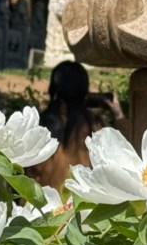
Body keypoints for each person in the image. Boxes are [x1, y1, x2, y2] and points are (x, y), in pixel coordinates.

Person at [30, 61, 128, 191]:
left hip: (39, 205)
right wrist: (119, 115)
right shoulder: (94, 125)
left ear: (54, 88)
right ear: (84, 90)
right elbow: (123, 153)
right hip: (81, 205)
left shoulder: (39, 123)